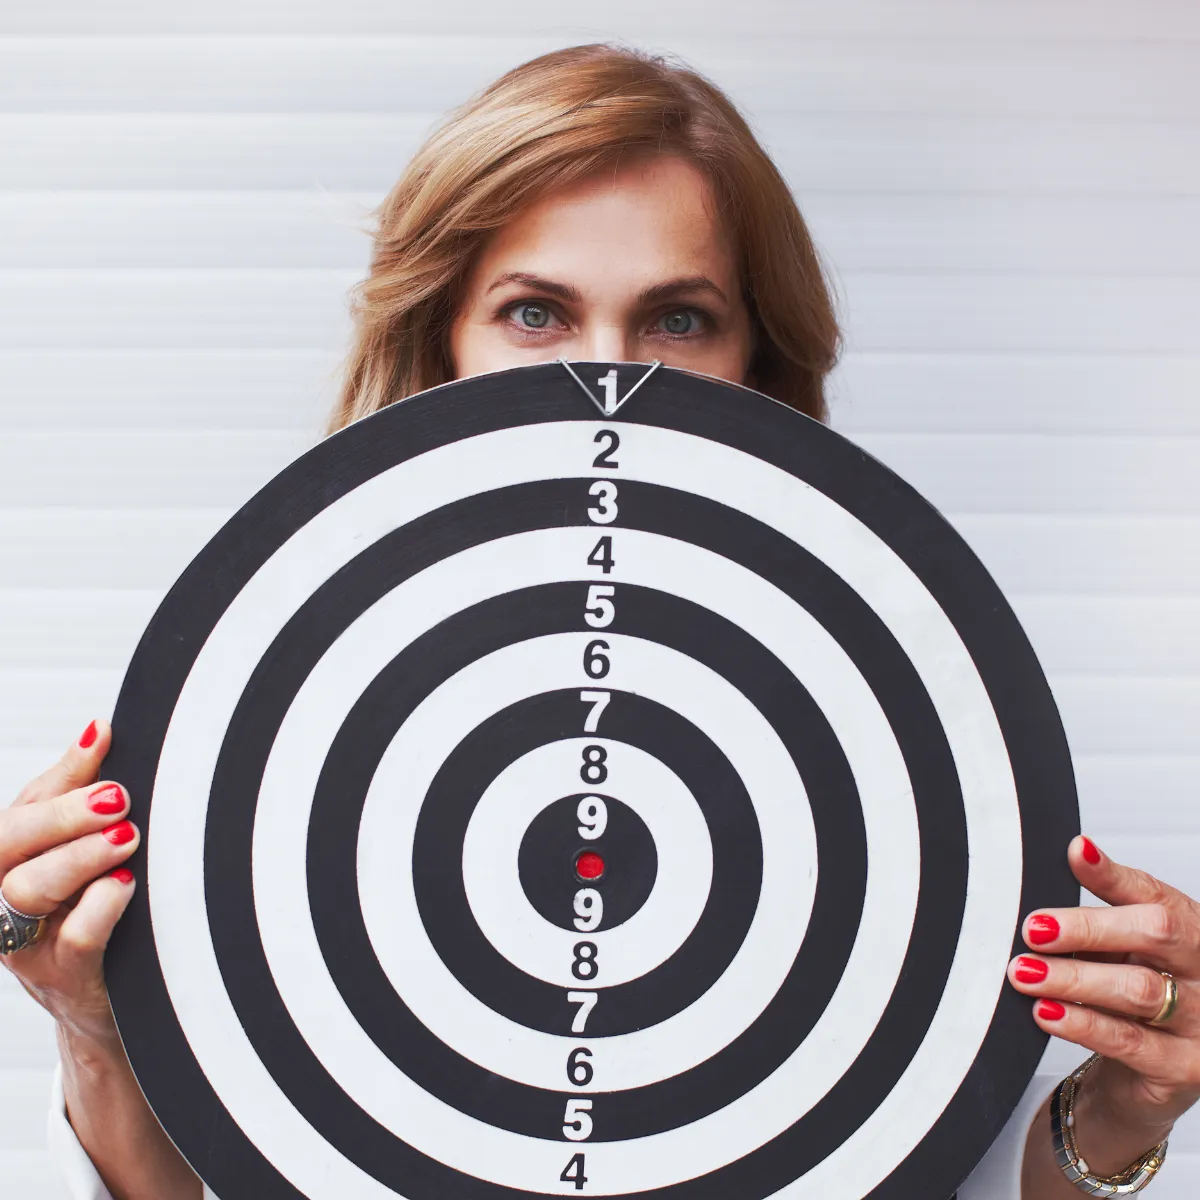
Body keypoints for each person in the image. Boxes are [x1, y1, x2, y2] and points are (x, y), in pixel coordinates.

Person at [2, 42, 1197, 1200]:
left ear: (759, 366)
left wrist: (1124, 1107)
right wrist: (103, 1028)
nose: (607, 376)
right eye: (536, 314)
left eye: (678, 319)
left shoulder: (881, 716)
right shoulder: (272, 712)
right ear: (439, 347)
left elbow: (906, 1167)